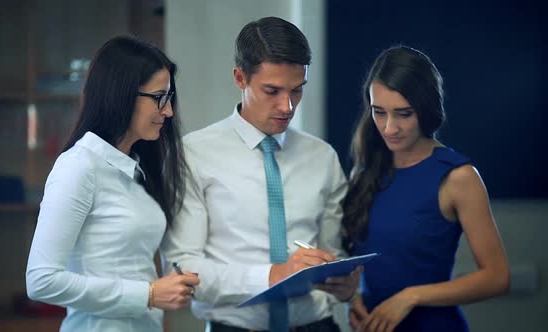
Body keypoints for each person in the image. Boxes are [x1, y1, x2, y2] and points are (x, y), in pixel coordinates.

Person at [162, 16, 360, 332]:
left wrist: (345, 285)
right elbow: (184, 269)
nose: (287, 107)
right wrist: (272, 274)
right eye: (272, 90)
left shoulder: (322, 157)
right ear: (240, 78)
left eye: (297, 90)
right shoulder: (193, 154)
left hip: (317, 326)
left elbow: (332, 254)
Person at [25, 35, 199, 332]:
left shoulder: (136, 168)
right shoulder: (79, 166)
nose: (168, 112)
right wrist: (149, 294)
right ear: (121, 94)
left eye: (169, 99)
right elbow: (41, 281)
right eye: (159, 98)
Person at [342, 45, 510, 332]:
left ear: (426, 108)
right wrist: (352, 298)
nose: (389, 128)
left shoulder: (458, 176)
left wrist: (412, 296)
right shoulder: (367, 169)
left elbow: (497, 277)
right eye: (379, 112)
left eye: (403, 114)